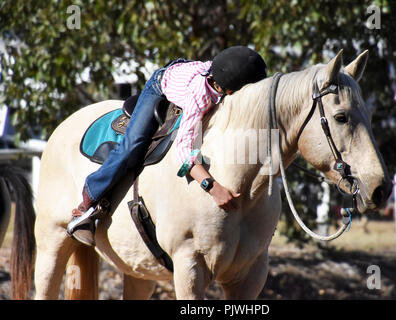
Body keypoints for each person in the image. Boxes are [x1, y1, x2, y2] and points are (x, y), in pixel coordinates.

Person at [68, 46, 268, 246]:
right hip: (160, 85)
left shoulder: (226, 79)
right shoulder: (200, 98)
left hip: (189, 73)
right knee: (132, 146)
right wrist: (212, 187)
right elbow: (182, 151)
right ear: (231, 91)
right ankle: (87, 204)